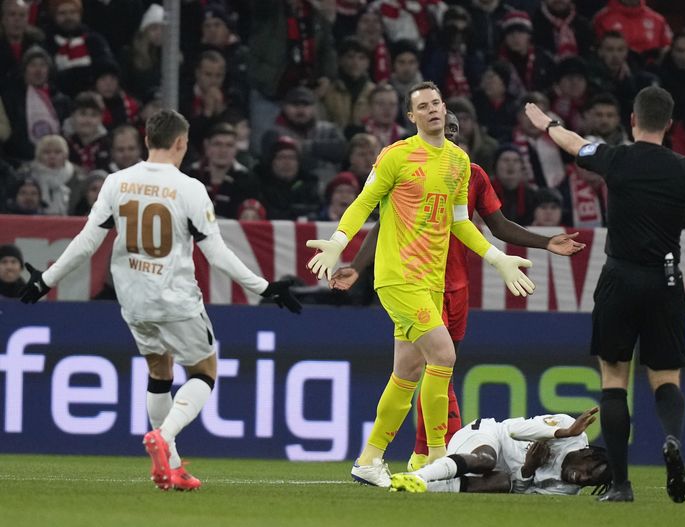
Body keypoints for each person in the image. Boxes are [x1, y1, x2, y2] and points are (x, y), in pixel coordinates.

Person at [19, 109, 302, 491]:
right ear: (182, 143)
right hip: (175, 299)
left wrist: (45, 281)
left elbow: (88, 241)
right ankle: (164, 437)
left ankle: (171, 467)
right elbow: (216, 254)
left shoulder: (116, 182)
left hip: (133, 299)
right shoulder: (189, 188)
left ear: (147, 139)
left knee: (159, 373)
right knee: (204, 372)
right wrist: (265, 287)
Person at [305, 81, 536, 487]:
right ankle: (435, 459)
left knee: (407, 373)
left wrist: (497, 259)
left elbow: (461, 223)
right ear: (411, 117)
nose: (432, 111)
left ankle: (369, 459)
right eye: (423, 107)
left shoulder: (459, 163)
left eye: (436, 104)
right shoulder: (396, 156)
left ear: (445, 109)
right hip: (398, 277)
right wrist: (337, 244)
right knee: (443, 355)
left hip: (430, 280)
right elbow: (364, 202)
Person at [330, 111, 585, 471]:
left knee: (428, 369)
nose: (447, 132)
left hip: (456, 287)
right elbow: (382, 222)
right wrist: (356, 267)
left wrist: (545, 243)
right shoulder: (409, 168)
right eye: (442, 126)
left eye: (454, 129)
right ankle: (431, 453)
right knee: (436, 363)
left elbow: (498, 225)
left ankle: (400, 455)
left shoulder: (469, 173)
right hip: (414, 282)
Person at [524, 86, 685, 502]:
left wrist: (547, 123)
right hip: (666, 282)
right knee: (666, 379)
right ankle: (671, 439)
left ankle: (620, 485)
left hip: (619, 279)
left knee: (615, 381)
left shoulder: (616, 158)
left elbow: (574, 144)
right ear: (670, 125)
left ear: (633, 120)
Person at [389, 408, 608, 495]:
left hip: (493, 475)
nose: (582, 479)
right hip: (484, 437)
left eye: (588, 483)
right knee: (486, 459)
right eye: (589, 472)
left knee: (504, 483)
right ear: (588, 455)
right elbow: (513, 429)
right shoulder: (569, 431)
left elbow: (520, 494)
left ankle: (417, 487)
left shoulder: (567, 490)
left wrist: (527, 470)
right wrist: (562, 432)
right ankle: (418, 476)